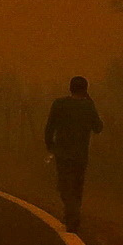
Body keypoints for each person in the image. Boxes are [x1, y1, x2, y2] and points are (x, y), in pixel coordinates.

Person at [43, 77, 102, 232]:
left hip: (62, 154)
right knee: (77, 186)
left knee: (64, 186)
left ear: (70, 88)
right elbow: (98, 128)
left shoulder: (59, 104)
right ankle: (73, 215)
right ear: (85, 89)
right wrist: (90, 102)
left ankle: (72, 215)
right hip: (81, 155)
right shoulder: (88, 106)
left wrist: (50, 146)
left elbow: (49, 127)